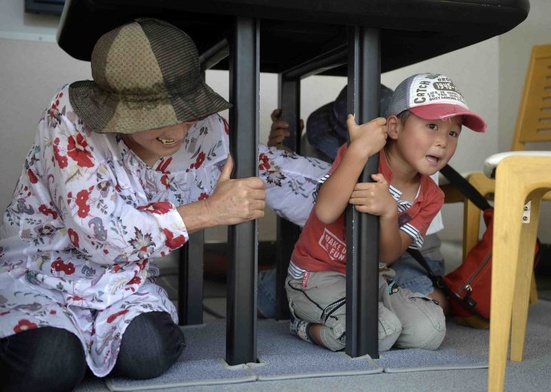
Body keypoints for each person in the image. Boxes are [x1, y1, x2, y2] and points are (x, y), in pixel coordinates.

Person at [0, 18, 331, 392]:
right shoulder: (70, 116)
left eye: (185, 111)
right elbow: (97, 233)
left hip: (121, 286)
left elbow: (268, 170)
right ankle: (61, 343)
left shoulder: (203, 129)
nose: (177, 130)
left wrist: (364, 187)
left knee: (148, 354)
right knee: (50, 364)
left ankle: (85, 346)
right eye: (155, 118)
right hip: (42, 276)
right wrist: (210, 211)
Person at [284, 73, 487, 351]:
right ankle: (304, 327)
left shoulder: (431, 195)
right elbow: (326, 212)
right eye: (431, 126)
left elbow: (387, 256)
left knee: (430, 330)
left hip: (371, 277)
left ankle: (367, 317)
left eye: (453, 133)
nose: (443, 142)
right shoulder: (365, 157)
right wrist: (357, 151)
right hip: (317, 274)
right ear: (394, 127)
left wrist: (389, 213)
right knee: (378, 333)